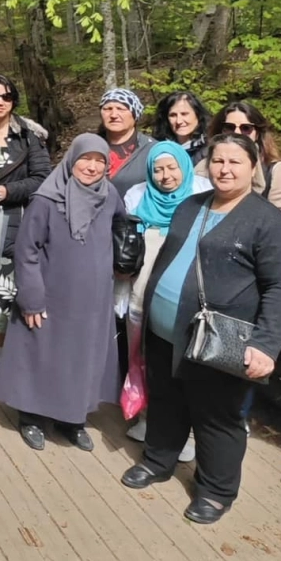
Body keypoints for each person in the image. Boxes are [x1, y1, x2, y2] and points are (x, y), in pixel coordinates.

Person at [121, 134, 281, 524]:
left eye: (235, 162)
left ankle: (216, 490)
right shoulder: (191, 206)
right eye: (219, 161)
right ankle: (158, 460)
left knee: (215, 414)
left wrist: (266, 343)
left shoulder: (268, 223)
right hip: (164, 329)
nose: (225, 169)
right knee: (166, 399)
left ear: (253, 168)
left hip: (219, 336)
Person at [0, 134, 123, 452]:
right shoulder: (47, 199)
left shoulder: (110, 195)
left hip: (93, 300)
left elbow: (122, 227)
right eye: (85, 159)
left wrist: (128, 255)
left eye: (100, 161)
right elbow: (26, 250)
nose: (92, 167)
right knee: (42, 355)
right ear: (70, 161)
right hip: (50, 295)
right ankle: (31, 417)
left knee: (80, 359)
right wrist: (31, 297)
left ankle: (72, 419)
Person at [118, 141, 210, 461]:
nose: (165, 175)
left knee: (183, 359)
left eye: (172, 168)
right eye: (158, 169)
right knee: (142, 355)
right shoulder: (136, 196)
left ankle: (187, 432)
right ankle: (147, 417)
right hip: (141, 292)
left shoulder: (201, 193)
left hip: (184, 294)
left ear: (184, 167)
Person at [0, 74, 52, 378]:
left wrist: (7, 191)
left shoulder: (28, 136)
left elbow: (42, 178)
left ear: (14, 100)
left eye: (6, 96)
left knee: (3, 285)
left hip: (11, 218)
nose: (0, 102)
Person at [201, 101, 281, 216]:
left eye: (246, 128)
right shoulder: (202, 166)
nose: (237, 132)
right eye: (229, 127)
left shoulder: (278, 171)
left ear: (257, 134)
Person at [98, 88, 155, 195]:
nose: (113, 115)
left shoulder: (153, 149)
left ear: (135, 115)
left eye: (121, 109)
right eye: (108, 109)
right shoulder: (90, 146)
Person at [152, 91, 212, 166]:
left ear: (198, 115)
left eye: (184, 114)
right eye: (173, 115)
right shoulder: (157, 149)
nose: (179, 121)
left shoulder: (210, 149)